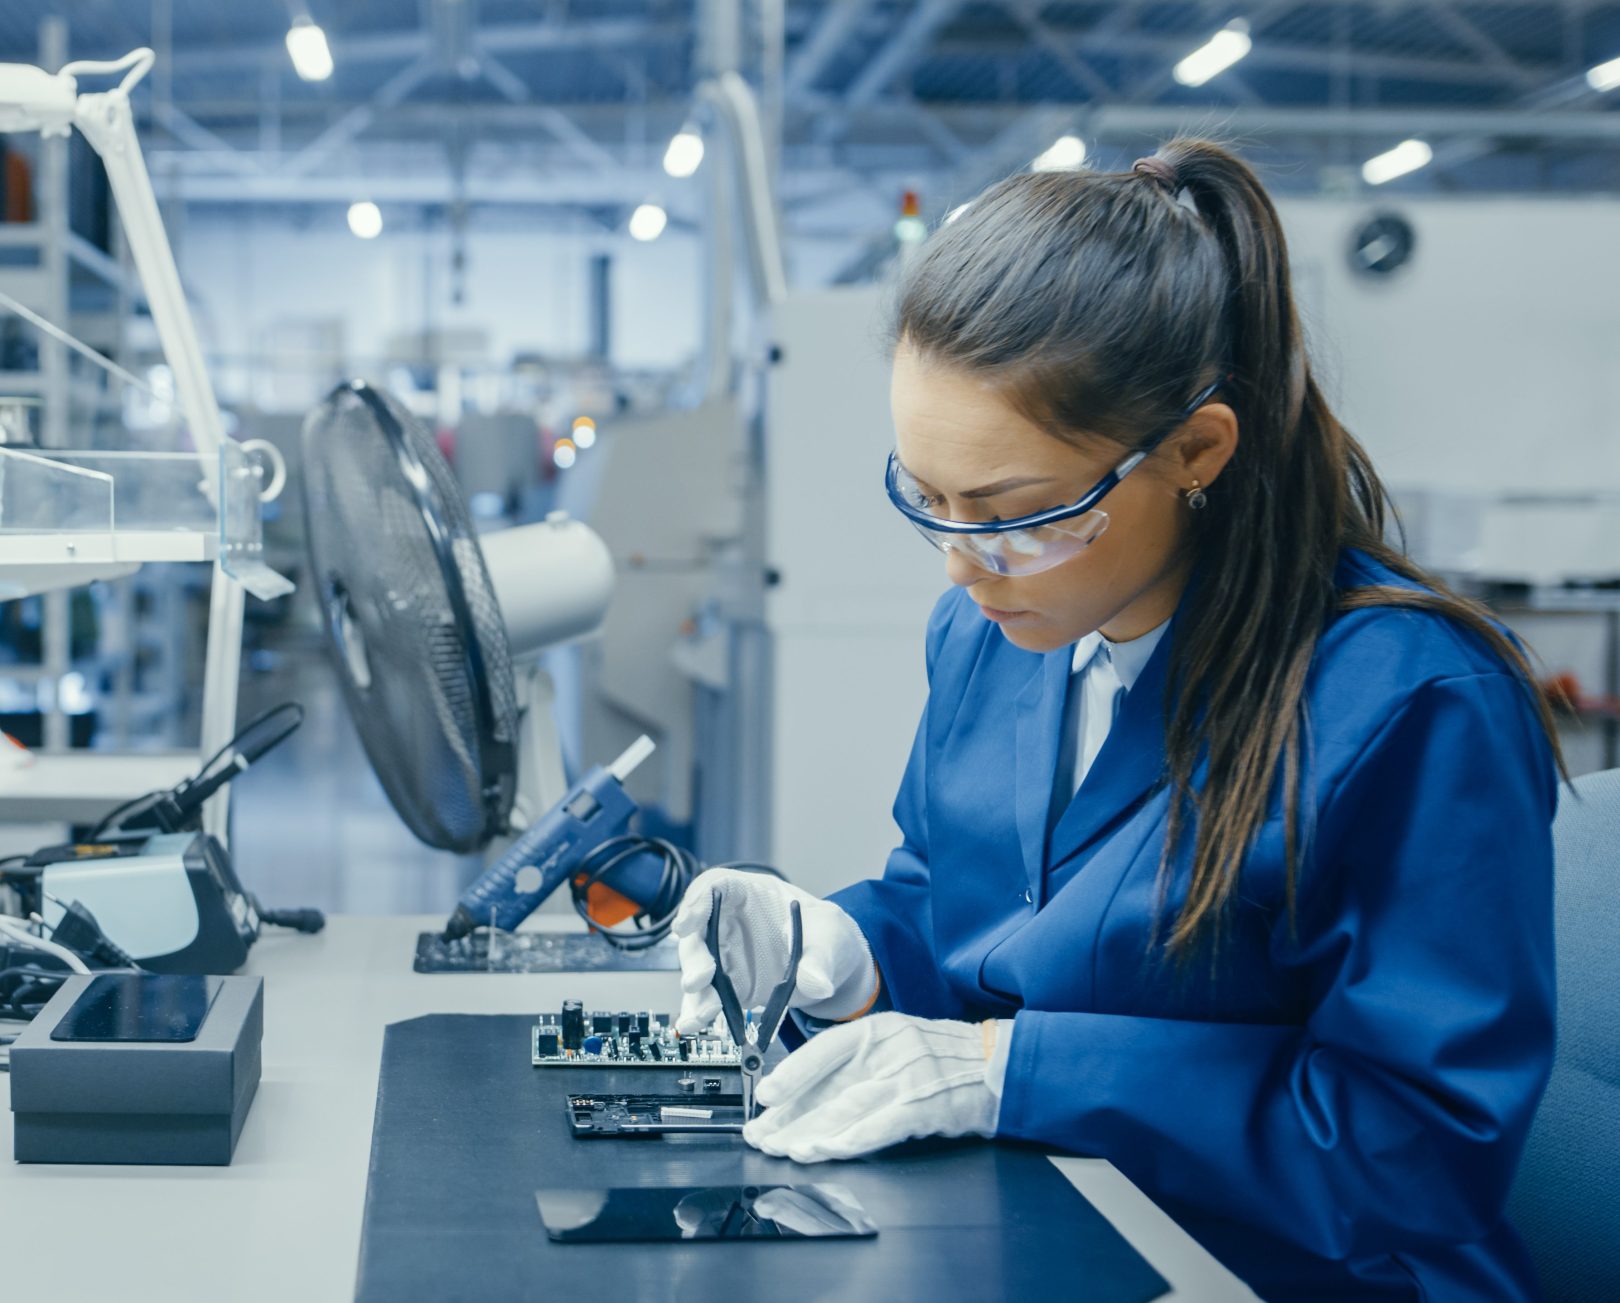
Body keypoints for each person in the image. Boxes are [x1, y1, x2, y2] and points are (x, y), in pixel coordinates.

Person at [672, 139, 1562, 1302]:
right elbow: (959, 920)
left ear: (1196, 451)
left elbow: (1416, 1147)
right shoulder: (993, 638)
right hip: (1061, 1228)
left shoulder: (1409, 705)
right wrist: (840, 948)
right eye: (926, 498)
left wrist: (1014, 1070)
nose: (964, 566)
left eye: (1019, 513)